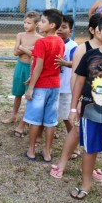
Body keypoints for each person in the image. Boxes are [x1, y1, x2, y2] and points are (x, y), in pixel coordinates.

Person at [50, 14, 102, 182]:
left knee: (97, 136)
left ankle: (92, 166)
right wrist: (78, 102)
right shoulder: (84, 49)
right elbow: (76, 77)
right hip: (87, 102)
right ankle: (62, 164)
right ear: (94, 30)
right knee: (76, 131)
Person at [69, 14, 102, 200]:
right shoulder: (89, 56)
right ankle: (86, 184)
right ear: (99, 32)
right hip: (90, 114)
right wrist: (72, 108)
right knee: (89, 150)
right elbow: (79, 83)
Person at [24, 9, 65, 162]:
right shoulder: (60, 41)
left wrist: (31, 87)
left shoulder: (41, 42)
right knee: (50, 121)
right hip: (55, 86)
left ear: (52, 25)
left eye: (43, 21)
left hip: (41, 86)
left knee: (35, 120)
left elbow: (39, 66)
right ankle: (47, 152)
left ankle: (32, 150)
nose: (40, 24)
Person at [2, 11, 42, 139]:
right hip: (20, 66)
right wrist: (28, 49)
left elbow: (34, 55)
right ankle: (13, 115)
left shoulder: (40, 39)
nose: (26, 25)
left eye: (29, 23)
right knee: (17, 93)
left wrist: (23, 48)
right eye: (24, 22)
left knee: (30, 95)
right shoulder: (20, 35)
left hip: (31, 68)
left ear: (36, 24)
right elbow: (15, 51)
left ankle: (28, 118)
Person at [54, 15, 78, 133]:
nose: (59, 29)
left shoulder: (72, 46)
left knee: (66, 116)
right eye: (58, 26)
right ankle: (39, 136)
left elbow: (76, 63)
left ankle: (72, 137)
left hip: (65, 88)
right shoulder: (52, 42)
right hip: (51, 86)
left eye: (64, 27)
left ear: (70, 30)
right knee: (49, 114)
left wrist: (64, 63)